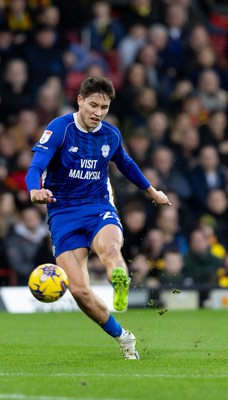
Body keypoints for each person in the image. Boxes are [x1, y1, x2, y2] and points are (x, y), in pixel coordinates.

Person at [25, 76, 171, 360]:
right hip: (63, 212)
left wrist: (152, 191)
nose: (98, 112)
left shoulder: (111, 135)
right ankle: (123, 337)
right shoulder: (60, 128)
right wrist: (34, 190)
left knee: (110, 249)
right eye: (93, 105)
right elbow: (36, 165)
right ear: (79, 100)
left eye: (104, 107)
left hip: (97, 205)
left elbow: (126, 164)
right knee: (79, 290)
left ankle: (119, 279)